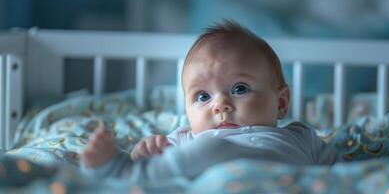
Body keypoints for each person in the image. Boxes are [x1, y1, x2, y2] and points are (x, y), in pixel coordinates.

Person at [80, 20, 342, 181]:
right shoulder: (184, 139)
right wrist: (143, 153)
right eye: (202, 96)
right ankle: (123, 172)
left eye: (240, 89)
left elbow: (338, 169)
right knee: (209, 151)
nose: (220, 105)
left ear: (281, 102)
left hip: (279, 184)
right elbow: (160, 160)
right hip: (218, 184)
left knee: (212, 151)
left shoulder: (301, 136)